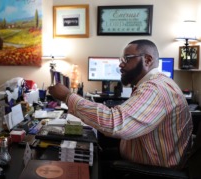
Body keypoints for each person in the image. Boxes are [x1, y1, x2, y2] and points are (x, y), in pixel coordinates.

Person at [48, 39, 193, 171]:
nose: (121, 64)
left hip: (147, 171)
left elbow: (115, 122)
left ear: (147, 60)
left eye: (127, 59)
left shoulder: (155, 89)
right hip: (139, 158)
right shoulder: (155, 84)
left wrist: (68, 96)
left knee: (74, 164)